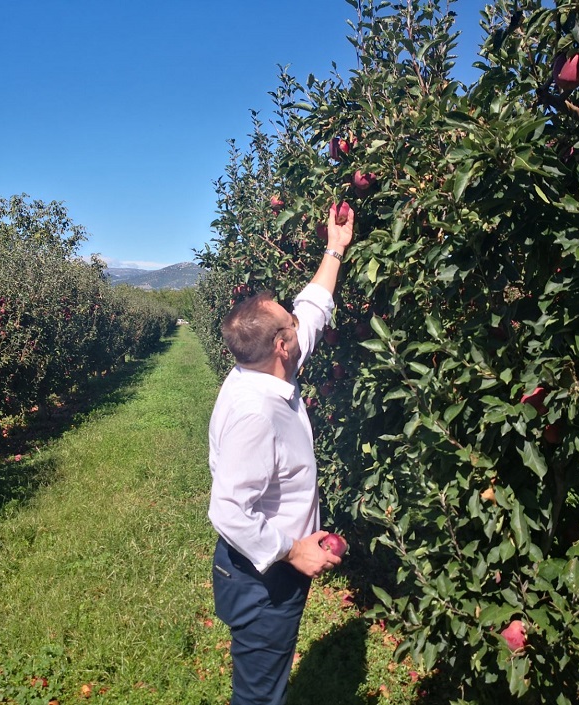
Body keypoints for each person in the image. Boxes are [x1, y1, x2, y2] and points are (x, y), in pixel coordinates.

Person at [208, 202, 355, 705]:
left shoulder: (261, 369)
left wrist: (334, 249)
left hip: (263, 572)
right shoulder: (256, 413)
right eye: (288, 324)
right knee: (259, 697)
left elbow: (311, 312)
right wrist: (293, 550)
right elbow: (228, 509)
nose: (297, 321)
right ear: (281, 346)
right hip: (261, 578)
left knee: (264, 682)